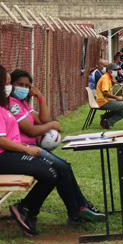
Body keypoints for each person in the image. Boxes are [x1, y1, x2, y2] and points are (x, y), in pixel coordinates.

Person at [9, 69, 105, 224]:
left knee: (65, 166)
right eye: (20, 84)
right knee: (62, 168)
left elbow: (42, 120)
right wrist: (52, 125)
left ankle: (80, 208)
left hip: (32, 147)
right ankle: (78, 209)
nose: (24, 88)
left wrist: (41, 97)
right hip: (25, 149)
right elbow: (31, 130)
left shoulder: (23, 104)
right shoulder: (12, 105)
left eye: (27, 85)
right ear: (11, 85)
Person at [0, 64, 60, 236]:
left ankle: (26, 210)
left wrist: (24, 148)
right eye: (7, 83)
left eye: (9, 83)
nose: (10, 87)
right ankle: (25, 210)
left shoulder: (0, 104)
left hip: (11, 154)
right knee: (50, 174)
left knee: (52, 172)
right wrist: (26, 149)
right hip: (0, 158)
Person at [96, 62, 123, 129]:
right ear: (109, 70)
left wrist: (113, 81)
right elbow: (105, 93)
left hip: (107, 100)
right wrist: (116, 97)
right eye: (115, 70)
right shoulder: (105, 79)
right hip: (104, 101)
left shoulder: (108, 77)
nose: (116, 72)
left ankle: (107, 122)